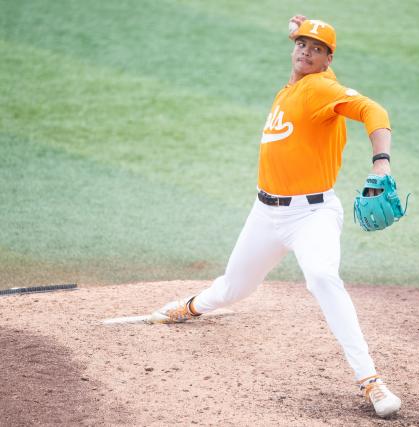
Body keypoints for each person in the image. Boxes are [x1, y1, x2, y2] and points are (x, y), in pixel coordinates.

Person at [148, 15, 402, 418]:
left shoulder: (320, 88)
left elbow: (374, 109)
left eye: (316, 49)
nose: (306, 51)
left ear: (328, 59)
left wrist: (382, 163)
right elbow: (306, 58)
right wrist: (303, 34)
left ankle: (370, 380)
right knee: (233, 288)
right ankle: (193, 305)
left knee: (321, 276)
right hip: (265, 214)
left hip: (312, 214)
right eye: (301, 44)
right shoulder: (295, 86)